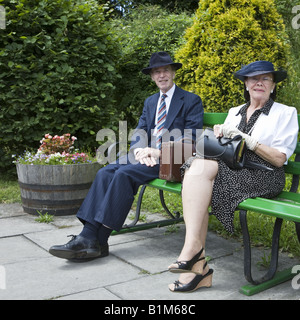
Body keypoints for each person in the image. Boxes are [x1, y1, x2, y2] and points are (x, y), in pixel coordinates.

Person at [49, 51, 204, 261]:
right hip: (145, 157)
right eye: (156, 72)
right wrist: (140, 150)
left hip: (171, 160)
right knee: (105, 172)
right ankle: (96, 242)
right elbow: (140, 131)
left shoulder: (191, 100)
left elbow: (191, 138)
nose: (161, 75)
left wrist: (158, 152)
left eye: (165, 70)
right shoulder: (150, 102)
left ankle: (93, 239)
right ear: (151, 76)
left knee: (124, 174)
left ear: (173, 72)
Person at [167, 60, 299, 293]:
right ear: (246, 84)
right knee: (196, 168)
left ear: (273, 85)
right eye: (253, 78)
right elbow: (222, 150)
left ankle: (194, 260)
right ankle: (194, 258)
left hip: (264, 174)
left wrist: (249, 140)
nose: (259, 82)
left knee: (199, 178)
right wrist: (220, 136)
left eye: (266, 78)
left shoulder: (285, 113)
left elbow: (279, 159)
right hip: (230, 168)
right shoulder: (234, 112)